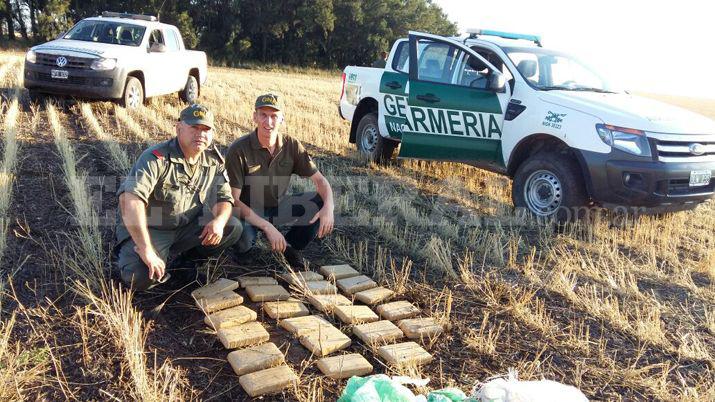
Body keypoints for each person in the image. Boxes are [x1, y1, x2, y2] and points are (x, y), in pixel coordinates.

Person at [115, 104, 241, 291]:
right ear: (178, 128)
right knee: (140, 278)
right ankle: (133, 251)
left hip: (186, 226)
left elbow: (224, 198)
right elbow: (130, 201)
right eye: (194, 128)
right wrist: (146, 249)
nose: (200, 134)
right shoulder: (155, 158)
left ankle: (187, 262)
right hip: (152, 228)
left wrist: (219, 221)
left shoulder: (213, 161)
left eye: (206, 129)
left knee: (233, 226)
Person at [225, 93, 335, 268]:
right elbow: (234, 201)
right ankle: (243, 253)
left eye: (274, 116)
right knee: (242, 236)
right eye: (263, 115)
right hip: (247, 211)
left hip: (276, 206)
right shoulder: (238, 149)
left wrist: (329, 207)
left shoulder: (291, 145)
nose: (268, 122)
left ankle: (289, 247)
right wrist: (268, 228)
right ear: (255, 116)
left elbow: (321, 181)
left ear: (282, 119)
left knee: (319, 202)